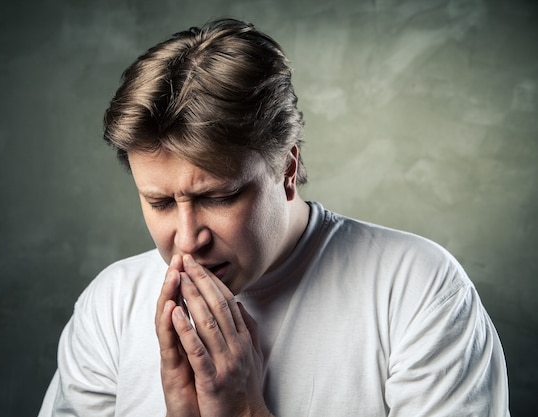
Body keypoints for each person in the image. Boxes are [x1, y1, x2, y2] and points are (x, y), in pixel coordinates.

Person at [38, 18, 510, 416]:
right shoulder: (110, 305)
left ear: (287, 169)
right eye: (160, 203)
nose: (186, 240)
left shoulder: (417, 291)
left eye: (219, 197)